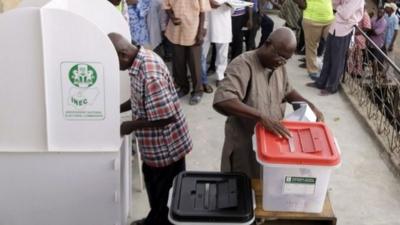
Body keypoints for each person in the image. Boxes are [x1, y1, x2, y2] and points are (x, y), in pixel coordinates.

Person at [213, 28, 324, 178]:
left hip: (271, 145)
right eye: (279, 56)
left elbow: (287, 91)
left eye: (286, 59)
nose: (281, 62)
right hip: (245, 146)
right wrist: (260, 117)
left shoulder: (278, 66)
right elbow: (223, 100)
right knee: (244, 188)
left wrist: (309, 105)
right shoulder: (243, 65)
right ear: (267, 44)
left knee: (267, 187)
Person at [108, 33, 192, 225]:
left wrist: (129, 125)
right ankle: (154, 219)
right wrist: (115, 109)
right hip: (154, 147)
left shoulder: (149, 73)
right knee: (156, 191)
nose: (116, 68)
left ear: (123, 54)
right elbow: (140, 99)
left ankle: (159, 221)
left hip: (166, 148)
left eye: (114, 62)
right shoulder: (138, 60)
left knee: (166, 196)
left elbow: (166, 116)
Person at [307, 0, 364, 95]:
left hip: (345, 30)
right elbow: (332, 3)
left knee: (337, 60)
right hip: (334, 27)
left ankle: (331, 87)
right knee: (327, 57)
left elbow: (345, 14)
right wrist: (341, 5)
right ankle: (321, 83)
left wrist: (339, 6)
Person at [163, 0, 211, 105]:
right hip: (176, 30)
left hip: (193, 30)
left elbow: (203, 12)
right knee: (178, 63)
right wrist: (172, 17)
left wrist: (200, 32)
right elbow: (166, 6)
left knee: (195, 64)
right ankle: (184, 88)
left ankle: (198, 90)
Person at [295, 0, 334, 80]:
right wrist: (302, 4)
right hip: (312, 19)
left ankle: (328, 69)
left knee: (332, 44)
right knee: (312, 46)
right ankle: (313, 71)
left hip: (329, 18)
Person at [201, 0, 232, 89]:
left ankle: (220, 76)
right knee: (201, 52)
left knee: (222, 52)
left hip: (223, 18)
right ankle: (201, 77)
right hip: (205, 19)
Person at [348, 6, 371, 77]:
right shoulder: (359, 13)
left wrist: (357, 32)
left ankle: (357, 73)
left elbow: (367, 27)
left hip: (359, 38)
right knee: (353, 56)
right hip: (354, 38)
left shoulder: (365, 14)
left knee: (358, 57)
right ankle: (351, 71)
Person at [368, 7, 387, 73]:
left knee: (375, 61)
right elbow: (368, 27)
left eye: (381, 12)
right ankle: (373, 75)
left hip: (378, 45)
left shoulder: (384, 22)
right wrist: (370, 30)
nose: (379, 13)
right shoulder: (374, 19)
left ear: (383, 13)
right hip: (371, 43)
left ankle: (375, 76)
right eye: (379, 12)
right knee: (370, 60)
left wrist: (370, 30)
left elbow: (376, 33)